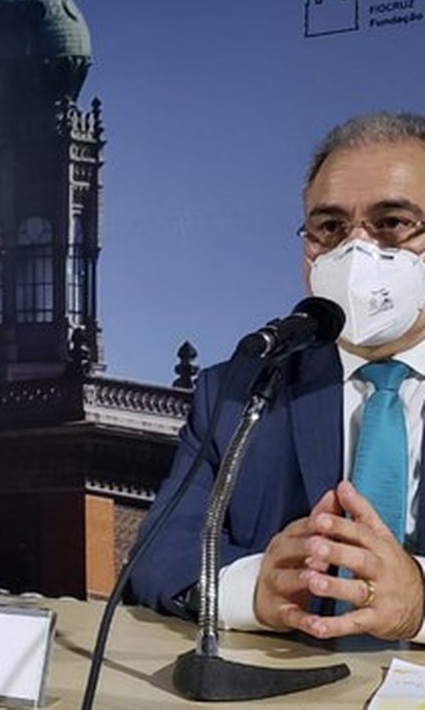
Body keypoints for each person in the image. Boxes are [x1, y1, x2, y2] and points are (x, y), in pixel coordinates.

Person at [127, 111, 425, 643]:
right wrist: (252, 589)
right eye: (330, 227)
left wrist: (419, 600)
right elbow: (159, 556)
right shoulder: (236, 392)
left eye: (392, 222)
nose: (355, 250)